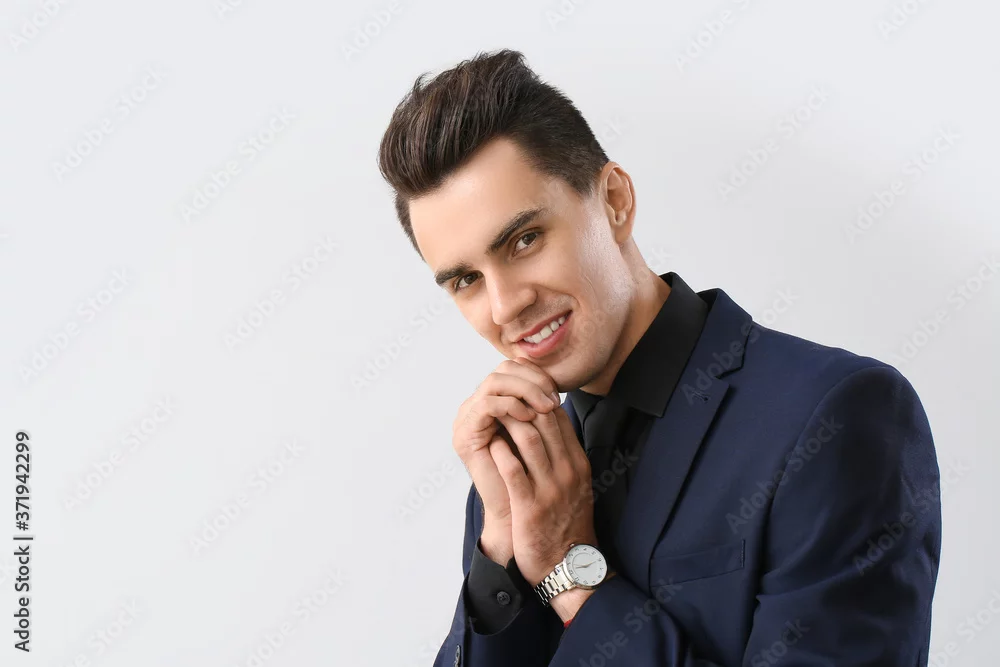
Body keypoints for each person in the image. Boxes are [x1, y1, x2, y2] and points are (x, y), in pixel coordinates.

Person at [377, 48, 941, 667]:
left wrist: (571, 574)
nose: (506, 304)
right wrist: (499, 559)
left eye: (525, 240)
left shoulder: (835, 415)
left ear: (615, 200)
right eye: (466, 280)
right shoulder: (515, 471)